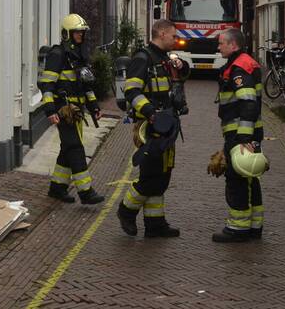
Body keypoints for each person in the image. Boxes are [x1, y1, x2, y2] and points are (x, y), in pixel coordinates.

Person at [116, 19, 187, 238]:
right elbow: (131, 91)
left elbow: (177, 82)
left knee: (163, 175)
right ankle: (126, 211)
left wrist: (181, 67)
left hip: (167, 126)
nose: (176, 39)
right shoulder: (143, 58)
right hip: (150, 127)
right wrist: (150, 113)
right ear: (162, 33)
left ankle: (155, 224)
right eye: (173, 36)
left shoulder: (164, 59)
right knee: (151, 176)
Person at [37, 13, 105, 205]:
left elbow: (86, 85)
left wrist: (94, 107)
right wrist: (50, 110)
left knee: (67, 147)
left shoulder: (80, 55)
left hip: (78, 108)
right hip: (63, 108)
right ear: (67, 33)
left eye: (82, 33)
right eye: (77, 33)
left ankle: (57, 188)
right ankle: (85, 191)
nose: (80, 36)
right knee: (75, 146)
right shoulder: (58, 54)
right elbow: (46, 84)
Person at [212, 27, 266, 242]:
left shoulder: (239, 68)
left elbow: (248, 103)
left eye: (221, 43)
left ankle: (238, 228)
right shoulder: (244, 63)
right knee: (250, 177)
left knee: (237, 180)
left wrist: (243, 139)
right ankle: (254, 226)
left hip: (239, 135)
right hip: (247, 133)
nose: (218, 47)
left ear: (233, 45)